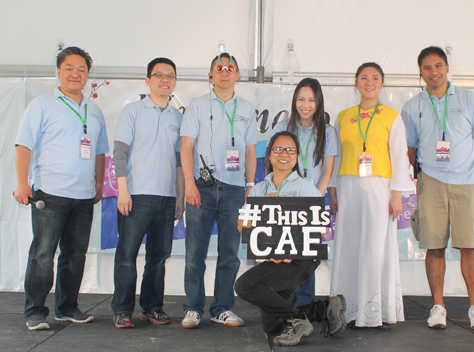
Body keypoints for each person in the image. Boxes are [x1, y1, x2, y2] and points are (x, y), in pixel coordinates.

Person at [14, 47, 109, 330]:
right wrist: (22, 183)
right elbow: (24, 145)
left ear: (87, 75)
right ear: (58, 72)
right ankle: (35, 311)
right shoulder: (42, 104)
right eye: (69, 68)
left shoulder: (94, 109)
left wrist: (99, 185)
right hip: (50, 193)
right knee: (43, 253)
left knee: (75, 254)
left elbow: (101, 151)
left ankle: (67, 308)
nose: (75, 74)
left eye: (81, 69)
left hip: (83, 196)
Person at [402, 46, 474, 330]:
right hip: (432, 184)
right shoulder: (412, 106)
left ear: (447, 67)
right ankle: (438, 306)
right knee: (434, 246)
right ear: (420, 72)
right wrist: (428, 173)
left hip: (468, 183)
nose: (433, 72)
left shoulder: (469, 99)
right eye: (427, 68)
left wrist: (466, 166)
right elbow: (411, 148)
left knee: (470, 246)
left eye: (438, 65)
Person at [235, 131, 345, 347]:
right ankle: (324, 310)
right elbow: (241, 226)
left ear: (296, 157)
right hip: (271, 259)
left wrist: (288, 250)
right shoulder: (258, 189)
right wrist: (261, 208)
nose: (283, 154)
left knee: (245, 285)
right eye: (277, 149)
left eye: (290, 150)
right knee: (272, 327)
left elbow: (319, 227)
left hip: (299, 258)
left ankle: (297, 320)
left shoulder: (305, 188)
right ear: (269, 155)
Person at [329, 62, 414, 329]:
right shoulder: (342, 117)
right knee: (349, 245)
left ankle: (375, 309)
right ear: (356, 82)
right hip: (347, 187)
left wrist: (397, 194)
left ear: (382, 83)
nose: (369, 82)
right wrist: (332, 189)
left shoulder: (392, 116)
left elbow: (400, 157)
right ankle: (347, 309)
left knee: (375, 246)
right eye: (364, 77)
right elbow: (335, 156)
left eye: (375, 78)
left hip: (379, 189)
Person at [180, 52, 257, 328]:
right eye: (219, 68)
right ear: (210, 75)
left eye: (230, 68)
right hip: (202, 186)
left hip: (235, 188)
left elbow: (249, 150)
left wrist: (250, 185)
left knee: (229, 252)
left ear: (237, 75)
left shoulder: (247, 109)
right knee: (194, 252)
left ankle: (222, 307)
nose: (225, 72)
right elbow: (186, 147)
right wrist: (189, 184)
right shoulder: (197, 106)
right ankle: (193, 308)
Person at [110, 58, 185, 328]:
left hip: (166, 199)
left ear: (175, 82)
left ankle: (152, 308)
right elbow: (120, 153)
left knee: (159, 257)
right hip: (136, 196)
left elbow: (179, 161)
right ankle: (121, 309)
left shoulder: (179, 117)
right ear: (148, 80)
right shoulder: (132, 111)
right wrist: (123, 190)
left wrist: (180, 195)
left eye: (170, 76)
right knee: (127, 256)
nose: (165, 80)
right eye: (159, 75)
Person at [271, 78, 337, 306]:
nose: (305, 105)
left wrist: (314, 200)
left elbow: (328, 170)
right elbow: (273, 165)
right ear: (294, 101)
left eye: (311, 99)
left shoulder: (328, 132)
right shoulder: (283, 128)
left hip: (313, 202)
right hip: (285, 202)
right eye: (301, 99)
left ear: (318, 102)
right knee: (283, 255)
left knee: (306, 257)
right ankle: (282, 307)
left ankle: (304, 309)